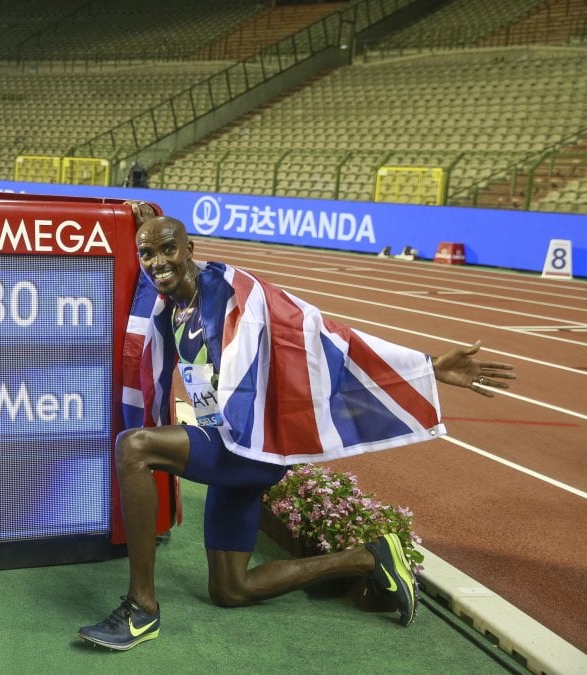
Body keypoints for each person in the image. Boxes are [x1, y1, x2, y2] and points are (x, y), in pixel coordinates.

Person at [77, 207, 516, 651]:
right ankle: (368, 558)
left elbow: (325, 334)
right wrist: (143, 223)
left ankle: (141, 608)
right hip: (229, 444)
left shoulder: (235, 294)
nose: (157, 262)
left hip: (249, 448)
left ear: (190, 249)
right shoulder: (171, 305)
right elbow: (148, 281)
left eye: (168, 249)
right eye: (147, 254)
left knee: (134, 446)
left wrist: (428, 366)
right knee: (231, 589)